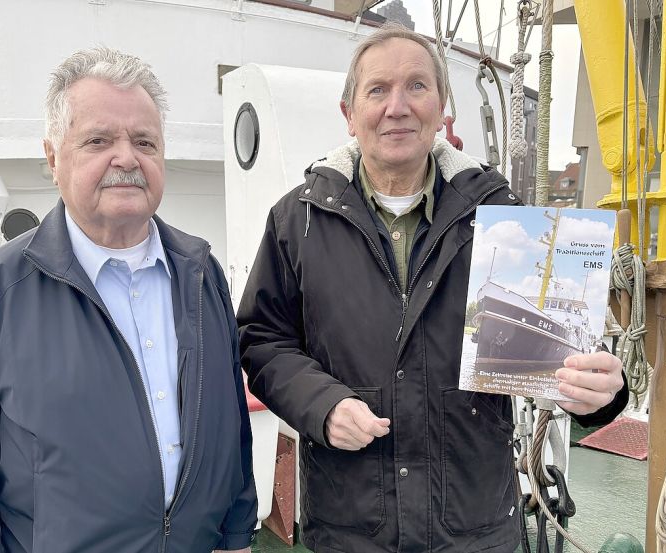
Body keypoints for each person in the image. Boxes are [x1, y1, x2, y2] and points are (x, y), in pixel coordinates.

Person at [237, 24, 627, 553]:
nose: (397, 107)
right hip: (351, 530)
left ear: (442, 107)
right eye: (377, 90)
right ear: (349, 113)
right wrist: (321, 404)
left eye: (416, 86)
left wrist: (598, 395)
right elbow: (263, 340)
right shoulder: (296, 221)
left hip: (473, 530)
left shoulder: (505, 219)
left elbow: (558, 350)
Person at [0, 47, 256, 553]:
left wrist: (237, 537)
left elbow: (230, 425)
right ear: (53, 158)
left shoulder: (200, 272)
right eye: (98, 140)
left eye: (145, 141)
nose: (127, 158)